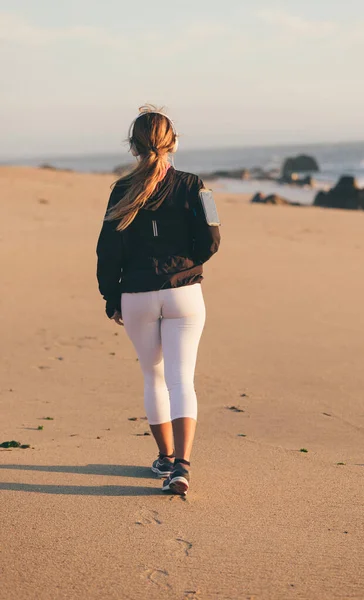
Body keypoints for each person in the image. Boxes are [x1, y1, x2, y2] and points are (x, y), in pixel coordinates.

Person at [96, 105, 221, 495]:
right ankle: (180, 467)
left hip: (137, 295)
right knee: (183, 379)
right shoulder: (196, 184)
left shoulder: (120, 190)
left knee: (154, 376)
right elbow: (213, 239)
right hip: (184, 293)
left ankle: (165, 458)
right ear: (173, 143)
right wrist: (185, 265)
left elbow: (107, 251)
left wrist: (111, 296)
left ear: (134, 147)